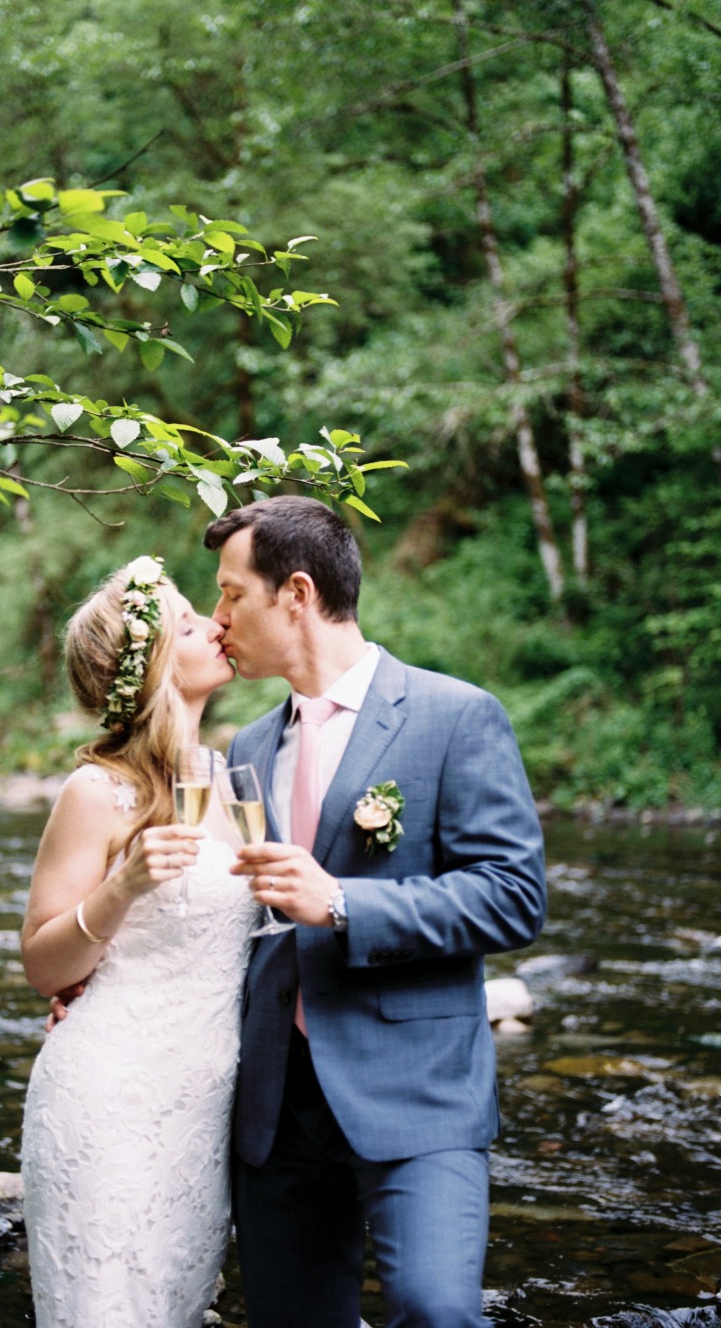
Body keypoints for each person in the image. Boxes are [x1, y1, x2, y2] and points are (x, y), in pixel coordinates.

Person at [203, 497, 547, 1328]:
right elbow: (236, 912)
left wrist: (346, 901)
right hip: (276, 1108)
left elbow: (513, 895)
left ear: (294, 593)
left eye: (229, 594)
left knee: (437, 1312)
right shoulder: (247, 745)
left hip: (418, 1091)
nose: (217, 620)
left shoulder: (455, 716)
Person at [20, 555, 257, 1328]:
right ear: (155, 665)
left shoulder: (237, 778)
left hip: (205, 1104)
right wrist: (120, 889)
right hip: (112, 1095)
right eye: (189, 622)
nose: (215, 623)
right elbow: (41, 963)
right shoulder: (97, 790)